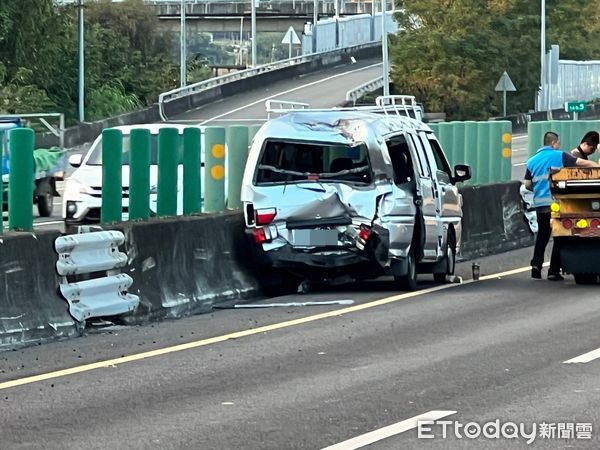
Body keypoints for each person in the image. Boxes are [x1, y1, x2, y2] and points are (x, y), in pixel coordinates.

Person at [523, 131, 599, 281]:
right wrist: (595, 166)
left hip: (540, 204)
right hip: (556, 203)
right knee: (559, 237)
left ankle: (536, 267)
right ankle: (553, 271)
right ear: (553, 143)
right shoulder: (559, 155)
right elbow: (580, 163)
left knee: (542, 236)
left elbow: (527, 184)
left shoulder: (531, 161)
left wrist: (538, 190)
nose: (559, 145)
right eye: (558, 143)